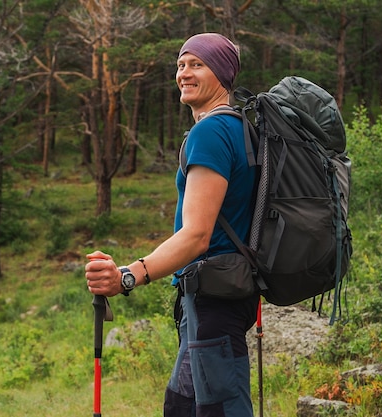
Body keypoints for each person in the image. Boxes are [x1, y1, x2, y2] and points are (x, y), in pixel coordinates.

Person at [84, 32, 259, 417]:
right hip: (219, 298)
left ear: (223, 73)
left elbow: (196, 236)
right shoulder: (240, 127)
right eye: (181, 64)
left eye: (197, 64)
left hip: (215, 302)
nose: (184, 73)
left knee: (219, 411)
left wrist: (128, 276)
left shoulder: (211, 132)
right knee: (180, 407)